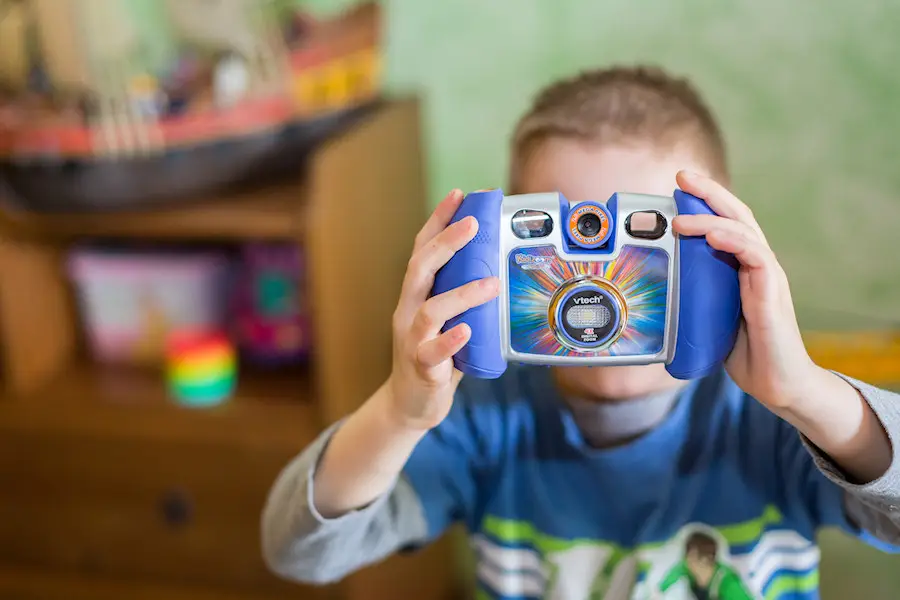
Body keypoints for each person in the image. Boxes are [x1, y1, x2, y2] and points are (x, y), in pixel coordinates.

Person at [261, 66, 900, 599]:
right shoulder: (482, 423)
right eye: (563, 247)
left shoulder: (775, 422)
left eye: (647, 245)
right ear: (504, 253)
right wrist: (400, 413)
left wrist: (806, 396)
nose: (603, 294)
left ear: (727, 248)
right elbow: (299, 553)